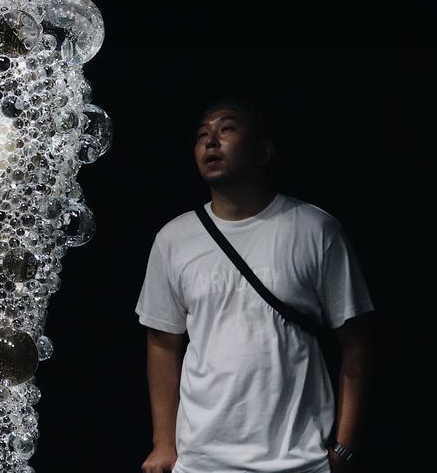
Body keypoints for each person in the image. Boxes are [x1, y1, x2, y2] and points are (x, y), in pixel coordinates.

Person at [136, 94, 374, 473]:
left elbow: (357, 345)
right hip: (202, 462)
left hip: (298, 460)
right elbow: (163, 342)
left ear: (264, 151)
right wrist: (164, 444)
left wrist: (343, 450)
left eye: (226, 129)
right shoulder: (174, 238)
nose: (210, 141)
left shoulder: (316, 230)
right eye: (202, 135)